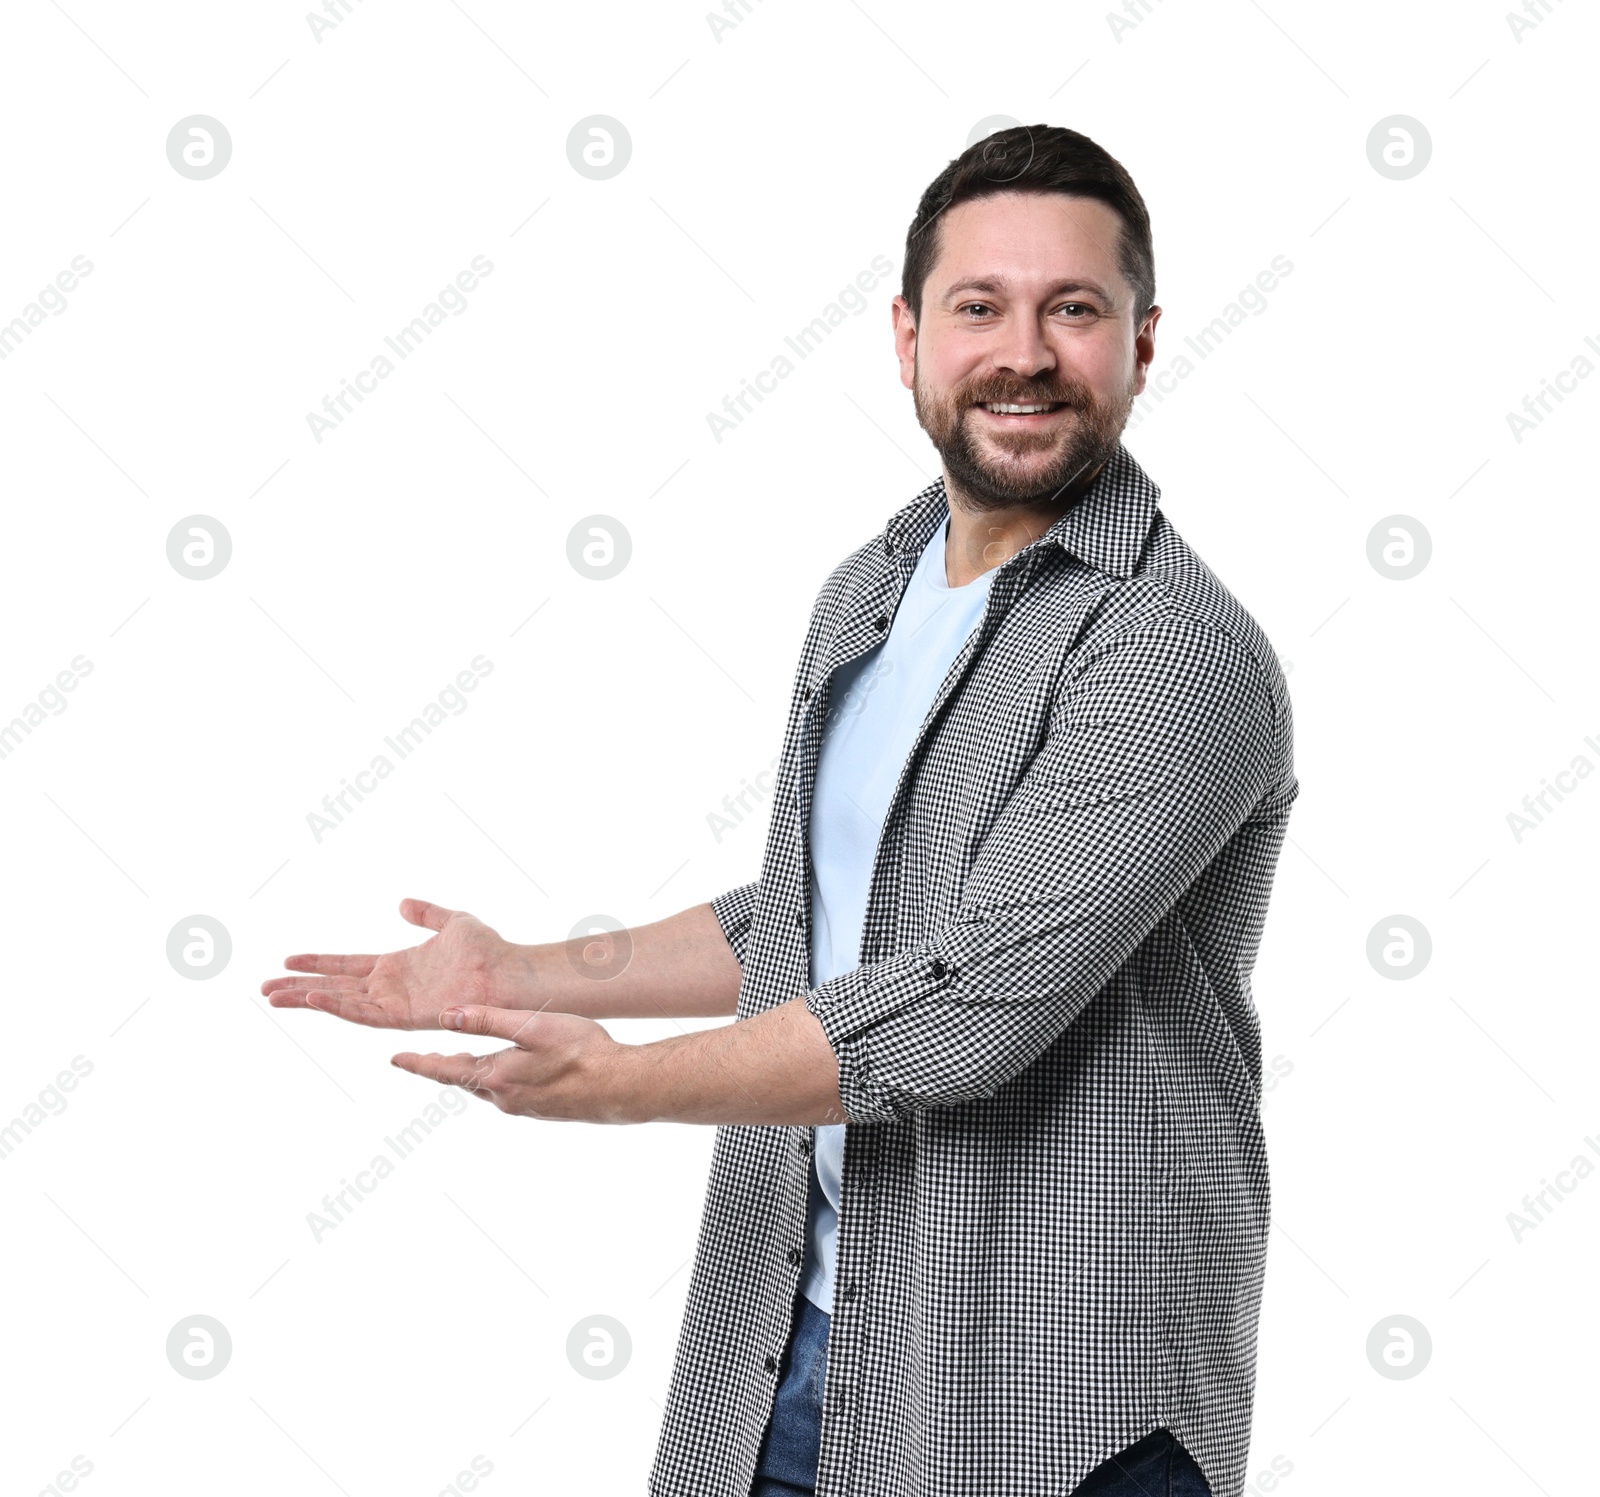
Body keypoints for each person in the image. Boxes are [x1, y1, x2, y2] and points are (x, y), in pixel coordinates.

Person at [264, 124, 1297, 1497]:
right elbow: (824, 908)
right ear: (907, 333)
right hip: (794, 1342)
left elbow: (965, 1002)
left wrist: (616, 1085)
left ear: (1143, 343)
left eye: (1076, 311)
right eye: (980, 306)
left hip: (1051, 1401)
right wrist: (524, 970)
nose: (1026, 353)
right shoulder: (871, 590)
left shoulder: (1171, 648)